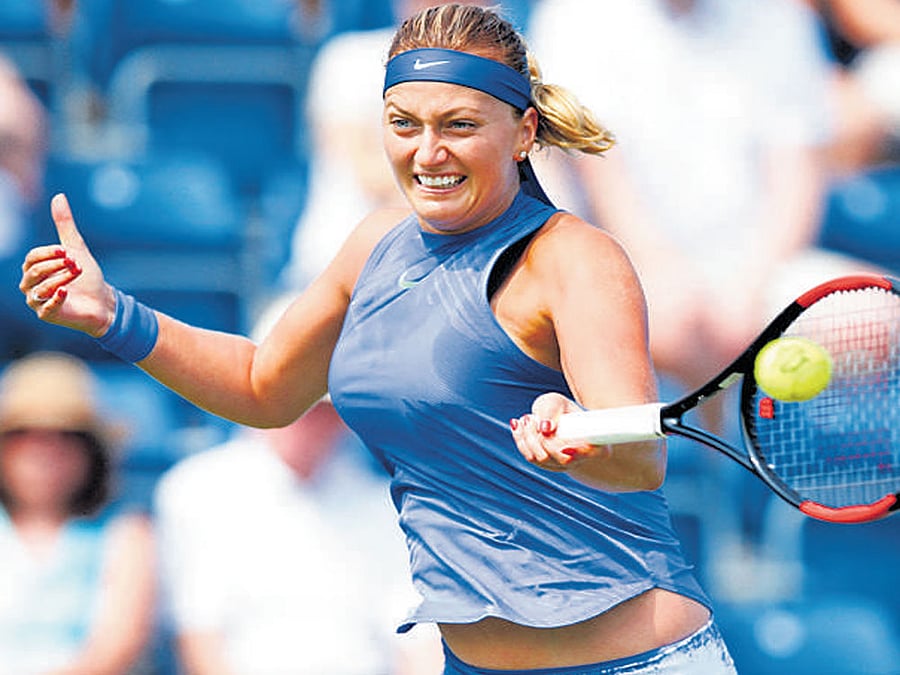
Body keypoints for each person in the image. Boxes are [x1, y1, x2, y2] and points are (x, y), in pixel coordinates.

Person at [19, 4, 735, 672]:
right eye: (403, 123)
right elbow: (265, 387)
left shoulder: (574, 258)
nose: (428, 153)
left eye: (458, 125)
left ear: (522, 132)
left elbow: (641, 456)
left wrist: (583, 434)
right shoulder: (372, 247)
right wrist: (116, 313)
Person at [154, 297, 443, 675]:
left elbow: (416, 647)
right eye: (295, 397)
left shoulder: (387, 506)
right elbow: (200, 643)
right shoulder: (194, 492)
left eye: (321, 407)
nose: (306, 417)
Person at [0, 351, 156, 675]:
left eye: (67, 436)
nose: (45, 452)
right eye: (23, 434)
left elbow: (118, 645)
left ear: (92, 453)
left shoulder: (126, 533)